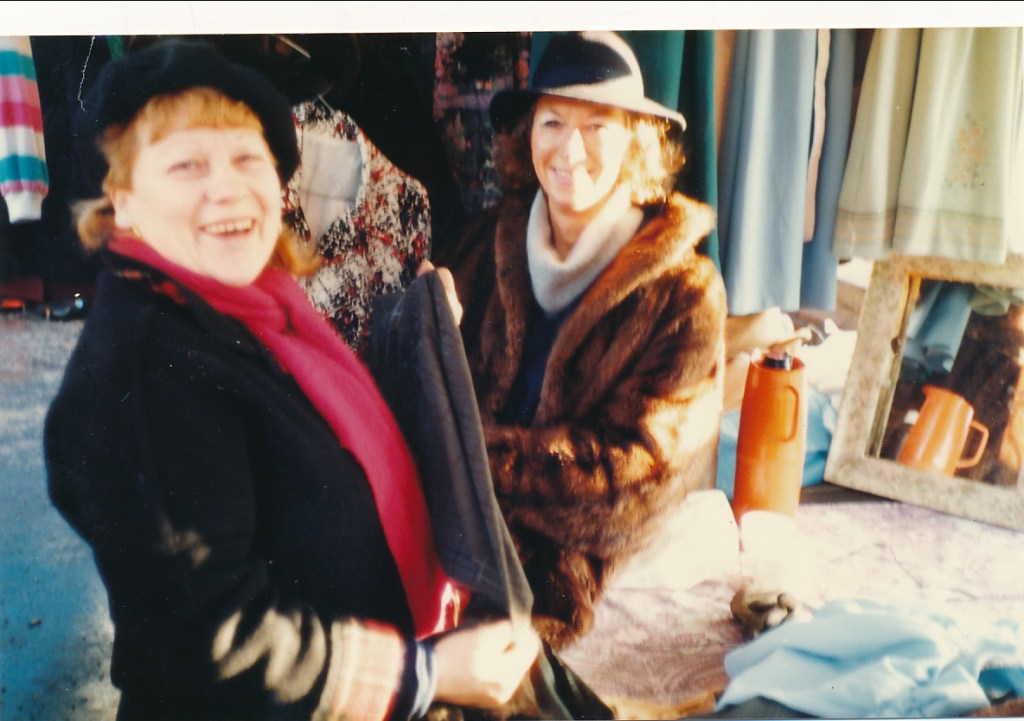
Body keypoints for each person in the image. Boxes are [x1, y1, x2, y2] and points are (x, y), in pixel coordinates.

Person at [43, 39, 540, 721]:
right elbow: (218, 641)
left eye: (247, 158)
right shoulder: (155, 369)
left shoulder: (256, 310)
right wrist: (426, 674)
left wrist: (422, 340)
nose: (226, 187)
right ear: (122, 200)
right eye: (187, 164)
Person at [442, 31, 728, 649]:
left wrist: (474, 464)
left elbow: (643, 475)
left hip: (562, 554)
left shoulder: (684, 294)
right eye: (553, 123)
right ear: (529, 135)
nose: (570, 149)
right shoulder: (484, 245)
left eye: (597, 125)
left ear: (635, 141)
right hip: (455, 511)